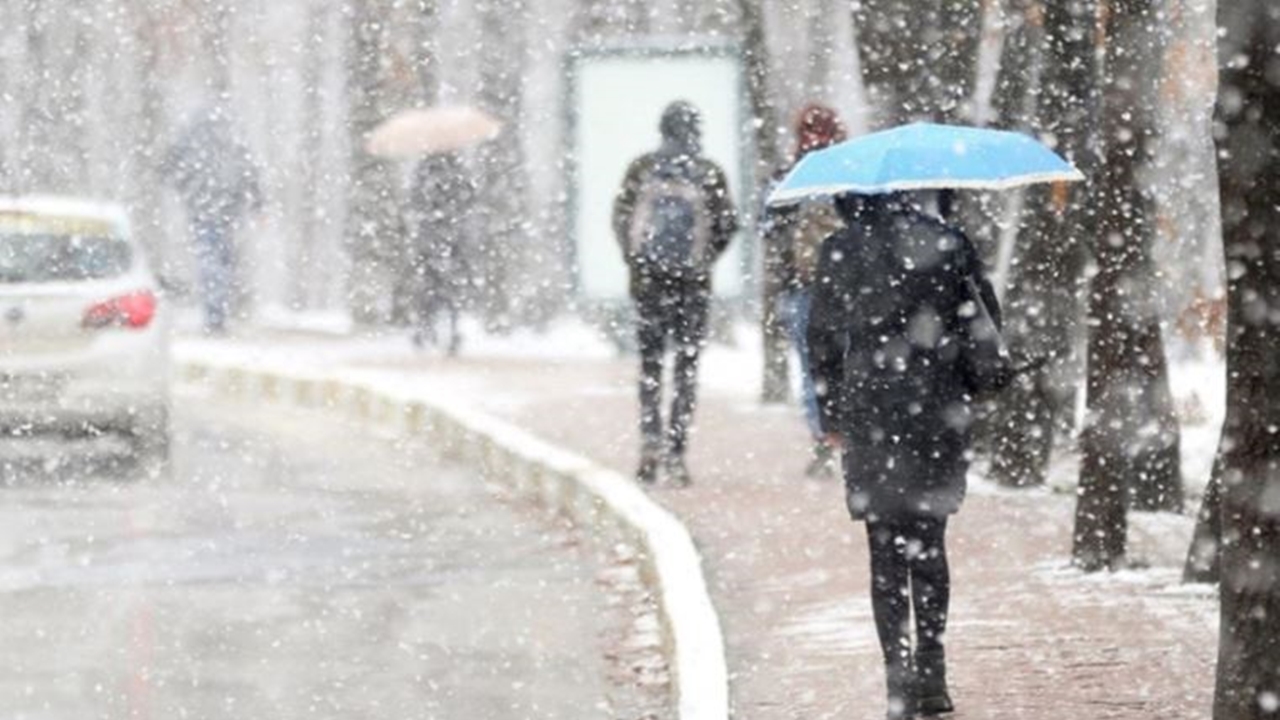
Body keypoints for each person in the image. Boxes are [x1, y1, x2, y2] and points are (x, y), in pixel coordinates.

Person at [807, 191, 1001, 719]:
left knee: (885, 548)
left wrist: (829, 417)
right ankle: (933, 673)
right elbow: (985, 322)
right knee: (930, 541)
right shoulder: (948, 241)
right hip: (937, 408)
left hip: (870, 410)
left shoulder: (840, 249)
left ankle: (898, 679)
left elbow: (821, 337)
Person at [612, 101, 738, 486]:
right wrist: (701, 261)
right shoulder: (708, 172)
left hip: (648, 285)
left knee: (651, 365)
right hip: (692, 287)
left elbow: (620, 218)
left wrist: (638, 262)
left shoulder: (642, 168)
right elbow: (728, 224)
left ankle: (650, 442)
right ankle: (677, 451)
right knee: (686, 367)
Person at [763, 104, 848, 477]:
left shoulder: (788, 178)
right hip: (848, 288)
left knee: (812, 367)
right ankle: (849, 436)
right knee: (849, 363)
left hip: (804, 286)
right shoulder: (851, 174)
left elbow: (768, 226)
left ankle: (823, 438)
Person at [161, 106, 262, 334]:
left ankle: (214, 312)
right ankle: (218, 311)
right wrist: (257, 202)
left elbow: (170, 165)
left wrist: (184, 189)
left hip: (202, 208)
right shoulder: (231, 137)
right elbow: (248, 169)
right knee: (222, 259)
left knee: (210, 259)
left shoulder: (193, 137)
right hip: (228, 208)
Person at [403, 151, 475, 355]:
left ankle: (427, 330)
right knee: (448, 289)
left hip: (433, 239)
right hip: (450, 239)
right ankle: (448, 333)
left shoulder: (425, 170)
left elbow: (415, 200)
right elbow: (468, 199)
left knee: (430, 289)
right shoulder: (456, 170)